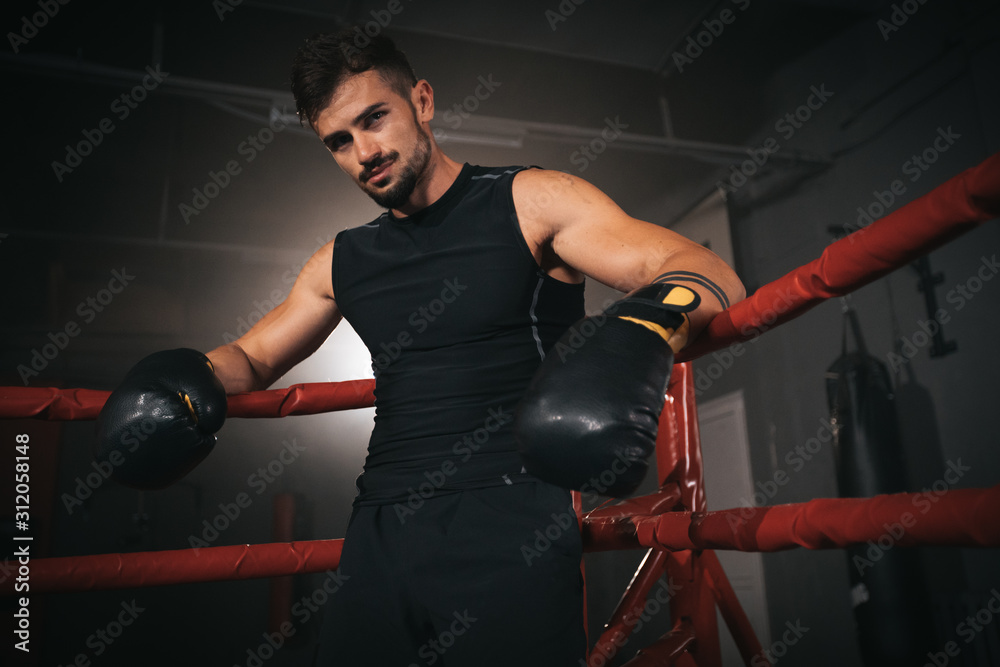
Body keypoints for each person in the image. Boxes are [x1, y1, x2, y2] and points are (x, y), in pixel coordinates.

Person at [95, 28, 744, 666]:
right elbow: (254, 357)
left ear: (423, 102)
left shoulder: (530, 201)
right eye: (339, 142)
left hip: (510, 519)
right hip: (381, 527)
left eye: (375, 119)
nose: (363, 151)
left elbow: (698, 268)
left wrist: (645, 327)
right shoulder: (341, 260)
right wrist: (189, 380)